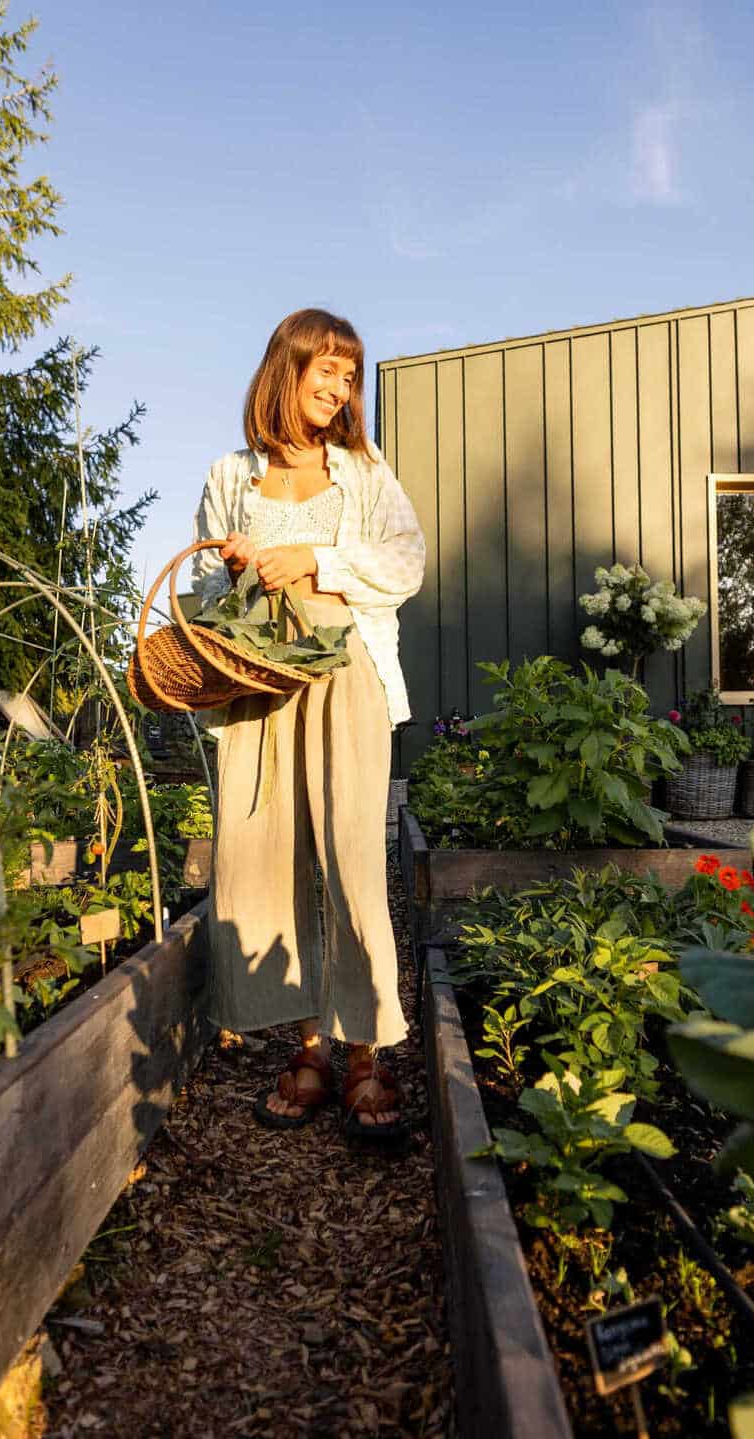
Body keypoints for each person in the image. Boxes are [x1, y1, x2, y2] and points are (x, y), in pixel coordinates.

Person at [191, 308, 425, 1142]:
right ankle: (311, 1046)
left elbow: (406, 561)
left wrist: (316, 560)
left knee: (352, 862)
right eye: (325, 368)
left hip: (345, 682)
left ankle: (367, 1051)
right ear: (283, 371)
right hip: (260, 690)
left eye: (349, 374)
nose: (338, 388)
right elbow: (204, 601)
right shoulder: (228, 475)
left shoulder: (360, 470)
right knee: (270, 858)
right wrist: (233, 576)